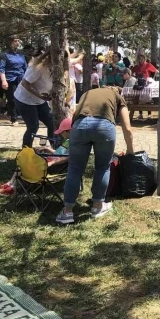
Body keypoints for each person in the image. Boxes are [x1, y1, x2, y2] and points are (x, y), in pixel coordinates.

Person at [57, 87, 135, 225]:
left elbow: (74, 114)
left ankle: (67, 211)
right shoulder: (117, 96)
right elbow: (127, 128)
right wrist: (130, 150)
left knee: (74, 169)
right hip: (104, 127)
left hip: (79, 126)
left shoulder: (87, 93)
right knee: (103, 167)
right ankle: (98, 207)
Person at [13, 50, 56, 147]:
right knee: (33, 126)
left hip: (40, 100)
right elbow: (25, 83)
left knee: (52, 123)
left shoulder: (55, 69)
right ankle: (26, 150)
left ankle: (54, 148)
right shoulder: (38, 68)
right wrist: (40, 95)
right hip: (25, 100)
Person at [0, 35, 28, 125]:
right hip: (10, 79)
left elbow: (25, 68)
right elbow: (1, 69)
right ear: (10, 42)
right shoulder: (4, 54)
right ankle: (13, 118)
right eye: (15, 41)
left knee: (22, 98)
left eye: (18, 41)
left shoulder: (21, 54)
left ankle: (22, 116)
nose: (17, 43)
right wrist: (4, 81)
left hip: (21, 78)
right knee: (12, 99)